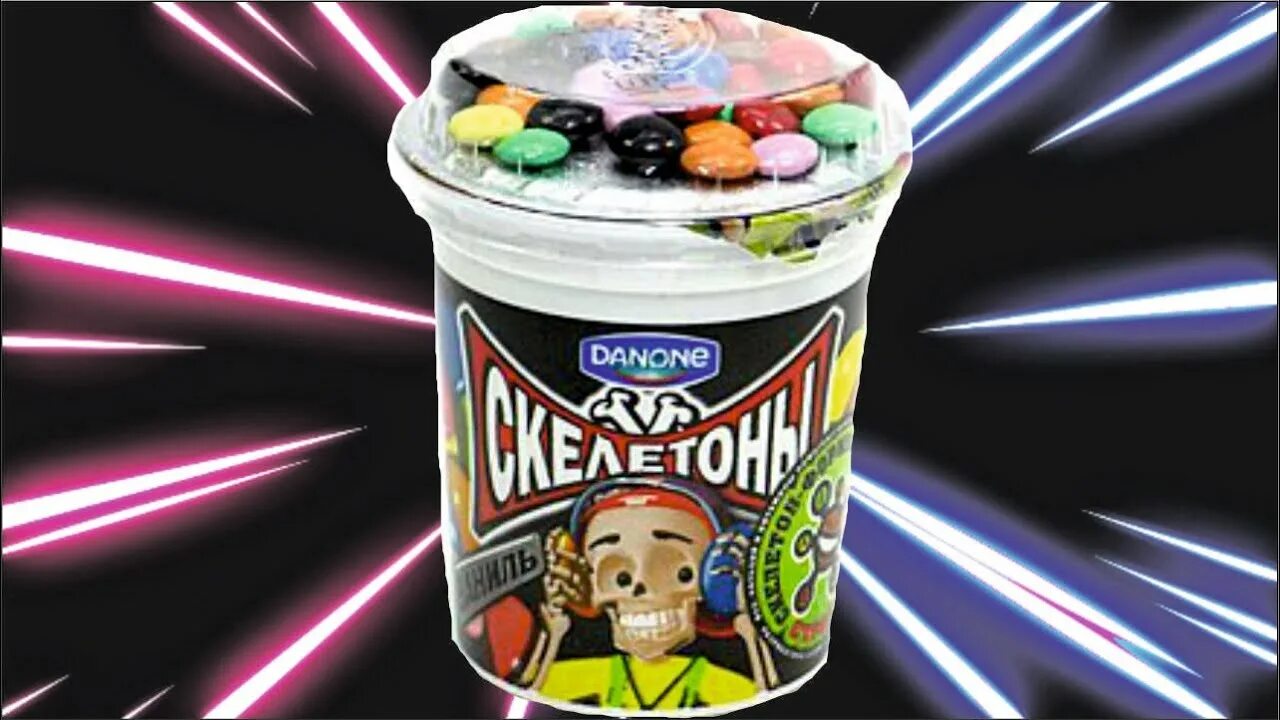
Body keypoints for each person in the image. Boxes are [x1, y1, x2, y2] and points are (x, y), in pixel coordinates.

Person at [519, 476, 777, 710]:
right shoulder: (606, 672)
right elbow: (531, 693)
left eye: (681, 573)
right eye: (619, 577)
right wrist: (552, 635)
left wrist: (754, 632)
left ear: (710, 580)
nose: (639, 587)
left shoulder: (707, 678)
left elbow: (762, 699)